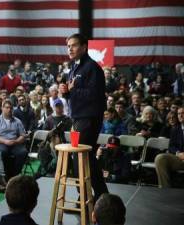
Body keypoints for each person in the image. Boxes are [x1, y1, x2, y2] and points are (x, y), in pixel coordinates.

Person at [66, 33, 108, 200]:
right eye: (68, 46)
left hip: (89, 118)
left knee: (81, 157)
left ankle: (87, 195)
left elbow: (95, 94)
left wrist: (72, 90)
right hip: (77, 118)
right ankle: (96, 195)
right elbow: (74, 93)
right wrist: (66, 93)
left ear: (84, 47)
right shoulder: (74, 67)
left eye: (74, 45)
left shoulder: (92, 67)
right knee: (86, 157)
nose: (70, 48)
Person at [0, 100, 28, 177]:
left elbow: (23, 135)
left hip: (14, 142)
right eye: (7, 108)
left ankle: (15, 174)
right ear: (2, 108)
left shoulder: (17, 121)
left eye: (10, 108)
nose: (9, 110)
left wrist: (16, 141)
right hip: (1, 142)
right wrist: (4, 141)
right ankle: (5, 175)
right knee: (2, 151)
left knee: (23, 152)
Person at [155, 106, 184, 188]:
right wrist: (178, 153)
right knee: (160, 158)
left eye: (183, 113)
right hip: (179, 158)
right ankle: (165, 189)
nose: (180, 116)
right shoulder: (176, 129)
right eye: (179, 114)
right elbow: (171, 146)